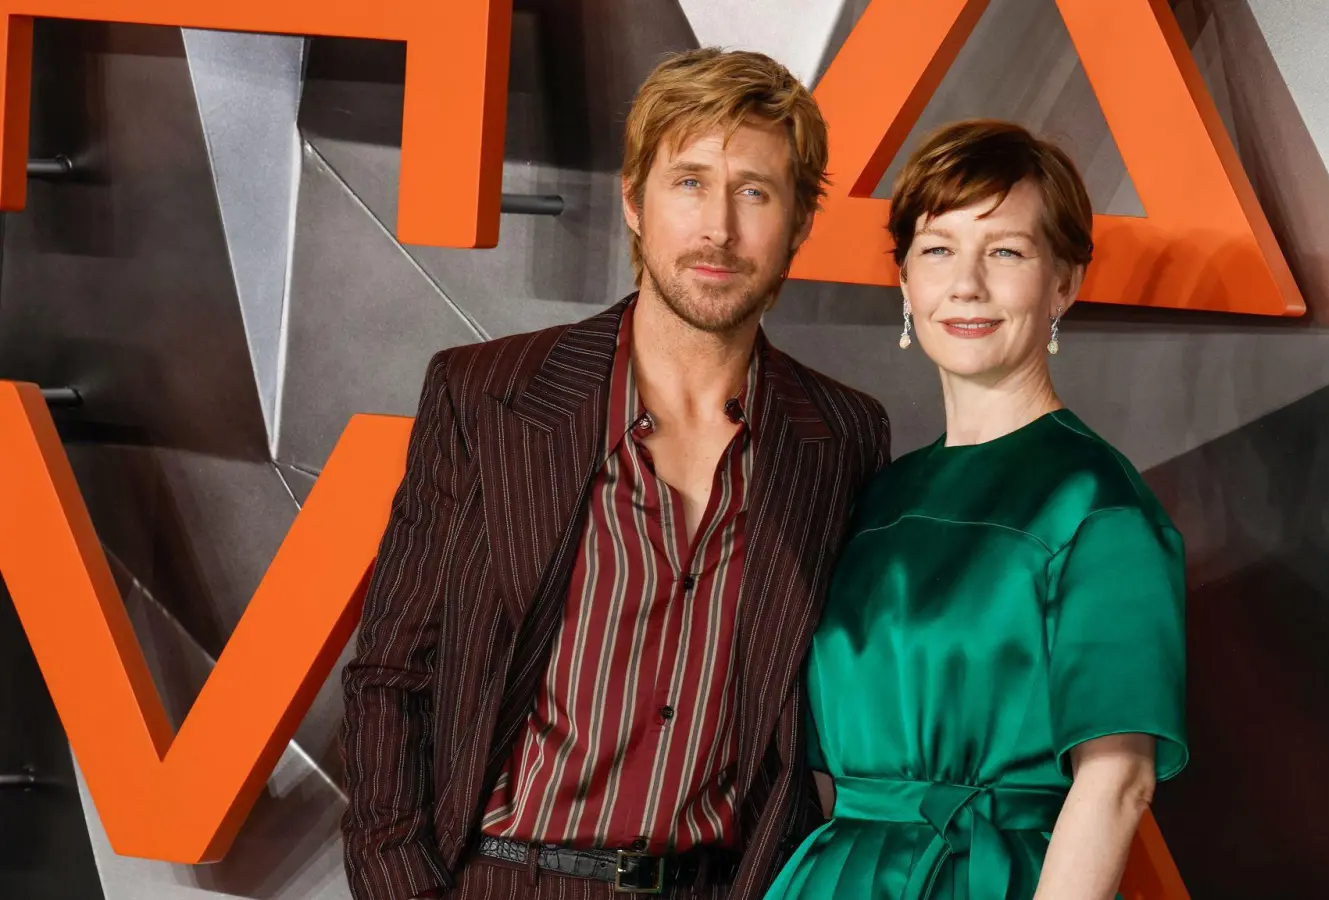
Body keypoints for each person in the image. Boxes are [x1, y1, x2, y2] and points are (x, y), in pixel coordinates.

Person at [340, 48, 889, 900]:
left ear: (800, 223)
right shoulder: (487, 396)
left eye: (755, 191)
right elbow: (392, 674)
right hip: (506, 879)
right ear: (634, 202)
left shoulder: (842, 437)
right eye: (690, 183)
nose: (719, 228)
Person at [764, 120, 1189, 900]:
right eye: (938, 249)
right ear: (905, 284)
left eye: (1006, 251)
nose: (967, 284)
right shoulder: (878, 494)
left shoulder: (1100, 506)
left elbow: (1118, 784)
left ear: (1063, 283)